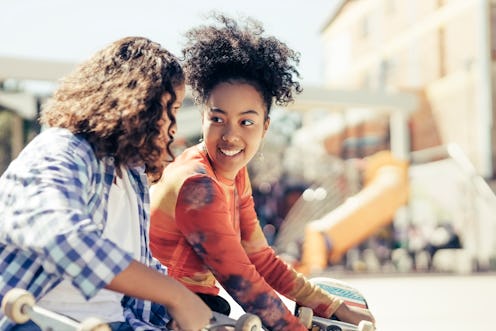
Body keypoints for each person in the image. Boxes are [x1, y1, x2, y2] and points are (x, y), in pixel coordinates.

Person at [149, 14, 375, 331]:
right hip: (162, 313)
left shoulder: (234, 175)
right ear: (202, 117)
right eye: (217, 119)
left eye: (246, 122)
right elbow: (242, 279)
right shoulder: (197, 183)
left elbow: (261, 258)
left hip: (199, 307)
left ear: (265, 126)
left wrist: (332, 305)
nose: (230, 135)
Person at [0, 36, 211, 331]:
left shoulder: (131, 175)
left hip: (114, 323)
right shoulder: (60, 149)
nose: (173, 127)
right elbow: (62, 237)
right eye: (171, 108)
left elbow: (144, 278)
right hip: (37, 319)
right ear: (141, 102)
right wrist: (176, 296)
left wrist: (203, 319)